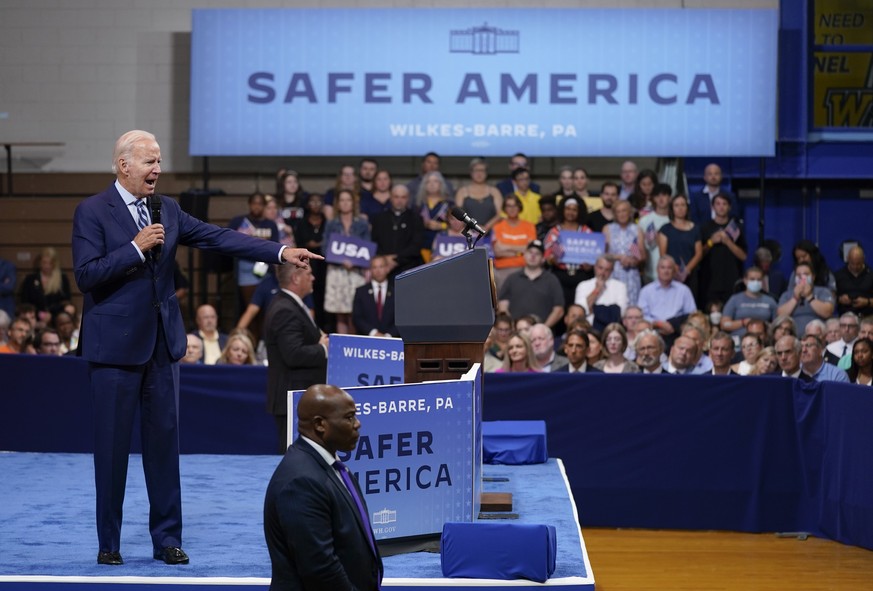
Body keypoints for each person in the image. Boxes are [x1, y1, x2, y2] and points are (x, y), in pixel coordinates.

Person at [71, 130, 323, 566]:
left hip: (162, 347)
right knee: (111, 451)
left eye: (159, 161)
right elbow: (87, 275)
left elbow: (220, 238)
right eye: (149, 162)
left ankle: (167, 539)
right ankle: (108, 543)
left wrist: (281, 252)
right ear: (123, 165)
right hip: (113, 349)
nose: (157, 170)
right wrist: (136, 247)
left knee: (164, 448)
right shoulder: (92, 211)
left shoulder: (166, 209)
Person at [263, 384, 383, 591]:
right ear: (320, 424)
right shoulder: (301, 482)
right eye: (349, 417)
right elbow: (320, 569)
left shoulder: (327, 465)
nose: (357, 424)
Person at [264, 263, 329, 454]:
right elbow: (293, 354)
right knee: (294, 458)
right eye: (309, 273)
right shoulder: (285, 309)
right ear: (295, 278)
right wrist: (323, 349)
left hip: (299, 400)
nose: (313, 278)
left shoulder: (292, 305)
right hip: (292, 401)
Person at [323, 189, 370, 334]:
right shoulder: (331, 224)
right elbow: (325, 248)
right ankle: (342, 349)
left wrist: (354, 262)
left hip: (356, 272)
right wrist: (341, 261)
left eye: (348, 200)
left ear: (353, 203)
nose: (345, 203)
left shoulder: (362, 223)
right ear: (338, 204)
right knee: (340, 314)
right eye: (342, 200)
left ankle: (353, 347)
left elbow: (367, 247)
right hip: (337, 271)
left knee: (354, 313)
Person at [228, 192, 280, 310]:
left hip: (266, 270)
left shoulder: (271, 224)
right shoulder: (239, 222)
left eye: (260, 204)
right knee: (250, 308)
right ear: (249, 204)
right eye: (254, 203)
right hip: (245, 268)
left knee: (267, 309)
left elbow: (276, 247)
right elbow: (228, 241)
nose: (257, 207)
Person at [498, 240, 565, 330]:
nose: (533, 256)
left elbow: (559, 310)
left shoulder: (552, 280)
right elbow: (502, 307)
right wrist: (512, 327)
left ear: (543, 259)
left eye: (537, 254)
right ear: (524, 255)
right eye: (530, 252)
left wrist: (542, 330)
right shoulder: (512, 278)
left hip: (541, 338)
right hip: (515, 333)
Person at [543, 195, 593, 307]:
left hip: (582, 275)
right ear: (562, 210)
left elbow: (593, 255)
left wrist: (590, 265)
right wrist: (553, 259)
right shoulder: (554, 232)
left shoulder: (587, 232)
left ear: (579, 212)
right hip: (560, 275)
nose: (571, 212)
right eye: (568, 209)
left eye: (574, 209)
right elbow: (547, 257)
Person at [699, 193, 747, 306]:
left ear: (729, 207)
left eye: (724, 204)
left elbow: (743, 256)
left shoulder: (736, 228)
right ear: (713, 207)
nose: (721, 207)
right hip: (709, 281)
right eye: (718, 204)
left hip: (731, 281)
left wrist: (728, 242)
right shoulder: (704, 228)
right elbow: (698, 255)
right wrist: (711, 242)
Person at [638, 256, 698, 343]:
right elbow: (642, 316)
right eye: (663, 267)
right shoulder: (646, 291)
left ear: (674, 271)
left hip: (678, 332)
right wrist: (659, 324)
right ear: (657, 270)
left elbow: (693, 314)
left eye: (669, 268)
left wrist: (674, 325)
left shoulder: (684, 290)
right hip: (653, 331)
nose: (666, 271)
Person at [371, 185, 424, 277]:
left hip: (409, 267)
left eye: (403, 197)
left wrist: (396, 260)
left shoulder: (416, 218)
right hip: (384, 267)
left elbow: (416, 245)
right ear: (391, 198)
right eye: (396, 197)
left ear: (408, 199)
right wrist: (385, 259)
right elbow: (374, 242)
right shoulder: (379, 218)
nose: (399, 200)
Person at [658, 194, 702, 300]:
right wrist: (675, 269)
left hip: (691, 274)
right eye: (676, 205)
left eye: (683, 205)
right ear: (672, 209)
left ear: (687, 207)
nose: (680, 208)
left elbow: (699, 253)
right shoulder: (665, 229)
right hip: (671, 273)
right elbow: (663, 254)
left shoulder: (695, 229)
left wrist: (687, 270)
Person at [491, 194, 537, 292]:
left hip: (525, 268)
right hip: (503, 269)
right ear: (505, 208)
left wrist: (506, 247)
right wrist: (520, 251)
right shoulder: (497, 227)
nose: (512, 209)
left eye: (514, 205)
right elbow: (498, 252)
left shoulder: (529, 226)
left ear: (519, 207)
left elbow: (531, 250)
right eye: (508, 206)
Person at [604, 200, 645, 306]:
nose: (622, 214)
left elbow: (642, 256)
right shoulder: (608, 229)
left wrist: (633, 261)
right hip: (612, 273)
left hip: (631, 275)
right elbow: (602, 254)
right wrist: (619, 257)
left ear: (630, 212)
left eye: (624, 211)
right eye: (618, 211)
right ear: (614, 214)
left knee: (631, 307)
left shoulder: (636, 229)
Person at [776, 262, 835, 335]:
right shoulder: (786, 295)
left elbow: (827, 312)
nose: (802, 277)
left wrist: (809, 296)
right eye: (798, 275)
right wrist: (795, 298)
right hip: (793, 335)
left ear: (813, 277)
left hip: (818, 334)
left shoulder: (823, 291)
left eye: (806, 274)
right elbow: (780, 316)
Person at [19, 246, 72, 327]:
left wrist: (51, 314)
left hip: (56, 317)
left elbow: (66, 301)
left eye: (50, 263)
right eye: (44, 262)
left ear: (55, 263)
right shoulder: (30, 279)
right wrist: (39, 313)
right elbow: (25, 301)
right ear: (40, 262)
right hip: (35, 317)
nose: (47, 266)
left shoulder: (62, 279)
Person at [720, 267, 778, 338]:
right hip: (739, 339)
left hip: (763, 340)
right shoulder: (734, 299)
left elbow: (777, 324)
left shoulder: (770, 301)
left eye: (759, 279)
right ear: (745, 280)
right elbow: (724, 324)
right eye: (752, 279)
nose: (756, 282)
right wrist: (743, 322)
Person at [574, 256, 628, 330]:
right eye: (600, 268)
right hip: (588, 326)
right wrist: (597, 289)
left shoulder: (620, 286)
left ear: (612, 271)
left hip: (612, 328)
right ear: (595, 267)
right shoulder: (583, 285)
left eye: (607, 270)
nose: (603, 272)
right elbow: (581, 311)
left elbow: (621, 312)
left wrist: (594, 309)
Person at [352, 255, 399, 337]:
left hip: (392, 341)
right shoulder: (361, 292)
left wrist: (387, 336)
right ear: (370, 270)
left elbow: (401, 319)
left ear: (387, 268)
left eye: (381, 267)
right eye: (374, 267)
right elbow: (357, 318)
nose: (378, 271)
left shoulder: (397, 292)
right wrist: (374, 333)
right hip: (367, 340)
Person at [454, 158, 503, 234]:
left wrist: (486, 227)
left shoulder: (494, 191)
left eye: (482, 171)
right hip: (468, 233)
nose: (479, 174)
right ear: (471, 172)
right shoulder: (462, 192)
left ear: (486, 173)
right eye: (476, 170)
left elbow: (500, 214)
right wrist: (474, 227)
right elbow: (458, 215)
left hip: (491, 233)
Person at [637, 183, 672, 284]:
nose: (661, 199)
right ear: (653, 198)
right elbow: (639, 248)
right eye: (657, 196)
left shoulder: (675, 220)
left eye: (664, 195)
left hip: (672, 272)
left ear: (670, 198)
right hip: (650, 272)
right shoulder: (644, 220)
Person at [416, 171, 453, 257]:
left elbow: (458, 225)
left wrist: (442, 226)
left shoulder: (449, 204)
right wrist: (422, 224)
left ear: (441, 184)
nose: (432, 184)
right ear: (424, 186)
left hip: (444, 246)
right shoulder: (418, 205)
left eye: (435, 181)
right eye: (428, 182)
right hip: (421, 247)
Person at [835, 246, 873, 317]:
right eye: (852, 263)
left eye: (858, 263)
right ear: (847, 259)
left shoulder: (871, 275)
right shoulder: (838, 275)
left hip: (868, 317)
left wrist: (867, 302)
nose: (855, 266)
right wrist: (840, 299)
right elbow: (830, 298)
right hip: (845, 317)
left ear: (863, 259)